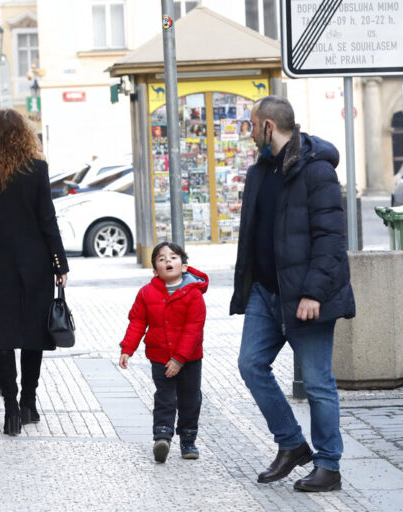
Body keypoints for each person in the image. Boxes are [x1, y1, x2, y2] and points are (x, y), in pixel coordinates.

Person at [230, 95, 355, 492]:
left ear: (269, 126)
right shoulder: (258, 173)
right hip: (266, 295)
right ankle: (291, 443)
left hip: (306, 298)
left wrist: (314, 292)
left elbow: (331, 239)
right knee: (250, 365)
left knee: (318, 383)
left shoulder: (317, 171)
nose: (248, 133)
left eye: (252, 125)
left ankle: (329, 466)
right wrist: (246, 286)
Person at [0, 109, 69, 436]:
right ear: (24, 135)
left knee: (2, 334)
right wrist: (59, 263)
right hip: (34, 263)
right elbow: (47, 220)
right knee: (33, 333)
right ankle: (28, 403)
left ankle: (10, 408)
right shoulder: (37, 170)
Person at [119, 242, 208, 462]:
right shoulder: (146, 293)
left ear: (184, 266)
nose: (168, 261)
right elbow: (137, 321)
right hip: (159, 356)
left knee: (190, 399)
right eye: (161, 259)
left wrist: (179, 359)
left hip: (189, 359)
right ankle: (162, 437)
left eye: (173, 257)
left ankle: (188, 440)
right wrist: (127, 348)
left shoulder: (193, 294)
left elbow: (193, 328)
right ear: (154, 270)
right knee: (165, 398)